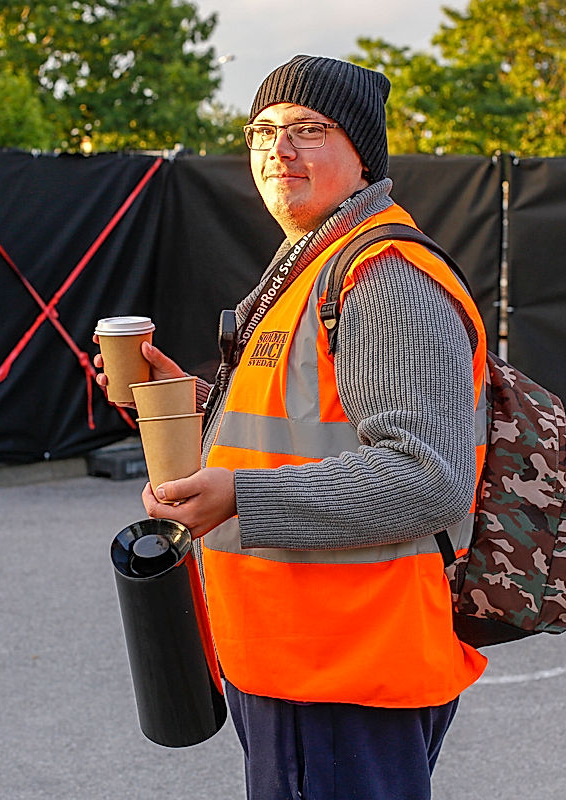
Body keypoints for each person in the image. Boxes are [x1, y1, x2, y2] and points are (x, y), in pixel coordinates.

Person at [96, 54, 488, 800]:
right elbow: (298, 419)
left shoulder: (382, 277)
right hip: (292, 654)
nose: (280, 149)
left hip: (345, 668)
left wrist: (240, 496)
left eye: (310, 129)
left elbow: (427, 477)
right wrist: (174, 394)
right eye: (264, 130)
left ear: (362, 153)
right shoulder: (311, 262)